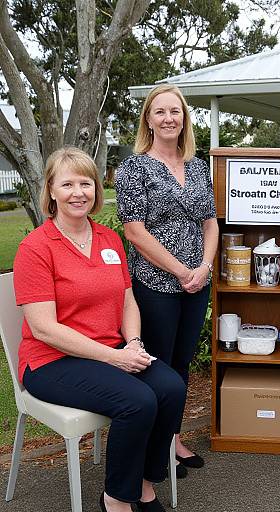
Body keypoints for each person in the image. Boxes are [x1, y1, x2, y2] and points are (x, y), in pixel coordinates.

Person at [13, 147, 186, 512]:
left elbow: (127, 302)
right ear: (52, 192)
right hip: (52, 361)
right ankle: (116, 499)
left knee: (170, 388)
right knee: (137, 401)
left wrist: (134, 344)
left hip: (112, 351)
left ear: (96, 190)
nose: (79, 192)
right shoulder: (36, 247)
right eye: (68, 184)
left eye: (86, 183)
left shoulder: (108, 239)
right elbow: (43, 329)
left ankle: (142, 484)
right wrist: (117, 358)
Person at [115, 84, 218, 478]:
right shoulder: (134, 168)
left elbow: (209, 222)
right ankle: (153, 447)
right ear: (149, 119)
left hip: (197, 283)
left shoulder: (197, 166)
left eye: (175, 111)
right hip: (155, 284)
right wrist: (180, 270)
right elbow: (135, 231)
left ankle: (172, 438)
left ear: (184, 118)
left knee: (181, 363)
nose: (169, 118)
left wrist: (204, 268)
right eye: (160, 112)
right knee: (157, 367)